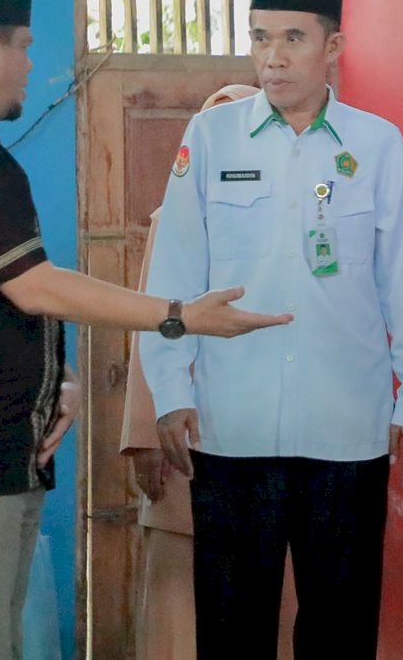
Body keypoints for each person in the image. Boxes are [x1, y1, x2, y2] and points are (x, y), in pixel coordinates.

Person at [0, 0, 289, 660]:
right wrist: (180, 314)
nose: (32, 65)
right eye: (24, 47)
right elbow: (36, 287)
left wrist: (54, 377)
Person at [140, 0, 403, 660]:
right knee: (231, 630)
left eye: (293, 38)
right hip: (231, 428)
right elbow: (174, 271)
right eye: (260, 37)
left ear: (333, 47)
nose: (272, 57)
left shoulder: (376, 144)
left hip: (347, 429)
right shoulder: (211, 137)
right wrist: (171, 389)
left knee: (340, 629)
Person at [121, 83, 298, 660]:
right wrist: (145, 437)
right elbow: (155, 325)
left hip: (275, 440)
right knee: (184, 595)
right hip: (187, 437)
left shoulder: (297, 223)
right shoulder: (170, 221)